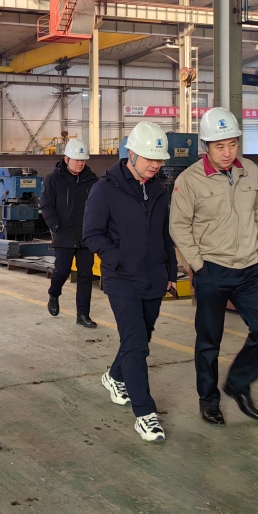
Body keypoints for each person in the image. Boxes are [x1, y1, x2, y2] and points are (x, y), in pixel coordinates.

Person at [170, 107, 258, 427]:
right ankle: (209, 401)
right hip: (212, 269)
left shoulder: (249, 170)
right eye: (220, 146)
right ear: (206, 146)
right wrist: (199, 265)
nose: (228, 152)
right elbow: (179, 227)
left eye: (232, 144)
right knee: (209, 341)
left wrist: (256, 246)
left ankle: (238, 383)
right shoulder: (189, 180)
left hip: (249, 268)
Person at [83, 121, 178, 443]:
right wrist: (119, 258)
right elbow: (91, 234)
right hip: (121, 278)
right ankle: (145, 414)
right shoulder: (105, 189)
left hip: (154, 276)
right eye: (150, 158)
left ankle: (114, 376)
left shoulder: (159, 190)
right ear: (132, 154)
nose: (156, 165)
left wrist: (170, 273)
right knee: (137, 345)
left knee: (141, 338)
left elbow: (165, 235)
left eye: (160, 160)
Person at [40, 138, 98, 328]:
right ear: (66, 159)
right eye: (77, 160)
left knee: (85, 275)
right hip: (64, 234)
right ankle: (54, 294)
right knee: (62, 271)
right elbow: (46, 205)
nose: (81, 163)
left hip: (85, 235)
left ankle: (83, 315)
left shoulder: (92, 180)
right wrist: (55, 226)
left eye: (83, 160)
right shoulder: (53, 179)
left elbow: (99, 206)